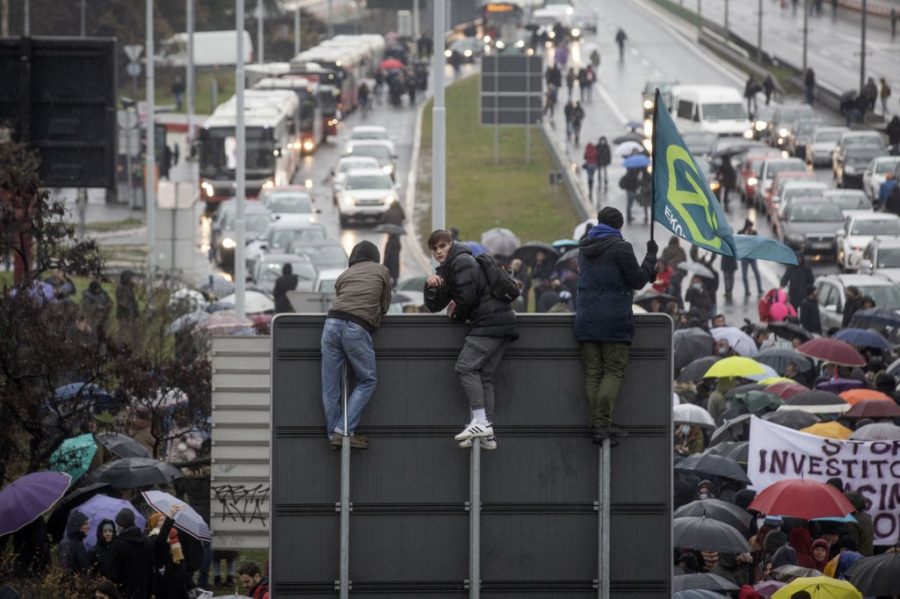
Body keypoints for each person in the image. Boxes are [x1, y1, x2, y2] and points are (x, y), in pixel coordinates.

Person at [424, 230, 517, 449]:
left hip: (488, 324)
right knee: (483, 376)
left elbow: (467, 298)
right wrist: (432, 286)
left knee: (465, 368)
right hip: (503, 323)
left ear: (451, 244)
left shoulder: (461, 262)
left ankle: (481, 422)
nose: (438, 252)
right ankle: (487, 431)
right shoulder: (454, 265)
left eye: (442, 246)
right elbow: (434, 306)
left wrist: (456, 313)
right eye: (435, 249)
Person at [574, 207, 656, 444]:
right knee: (613, 371)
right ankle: (602, 424)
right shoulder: (621, 247)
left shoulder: (584, 247)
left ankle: (595, 421)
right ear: (619, 226)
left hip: (586, 317)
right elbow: (637, 280)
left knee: (592, 372)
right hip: (613, 320)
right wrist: (650, 257)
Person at [321, 241, 391, 449]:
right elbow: (385, 305)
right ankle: (343, 430)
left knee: (330, 387)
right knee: (367, 380)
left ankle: (333, 433)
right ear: (375, 256)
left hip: (331, 324)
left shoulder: (345, 275)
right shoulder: (382, 271)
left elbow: (341, 296)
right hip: (356, 326)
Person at [109, 507, 154, 599]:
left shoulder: (117, 544)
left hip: (124, 591)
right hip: (144, 589)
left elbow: (114, 572)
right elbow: (151, 567)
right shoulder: (147, 541)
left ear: (120, 525)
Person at [148, 509, 189, 599]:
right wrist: (169, 518)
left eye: (164, 519)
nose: (164, 522)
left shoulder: (173, 536)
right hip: (163, 579)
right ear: (155, 524)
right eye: (161, 520)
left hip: (176, 578)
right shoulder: (153, 538)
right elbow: (160, 541)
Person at [57, 510, 91, 576]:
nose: (88, 527)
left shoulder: (78, 541)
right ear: (76, 526)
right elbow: (65, 572)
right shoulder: (66, 545)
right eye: (85, 524)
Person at [739, 220, 764, 297]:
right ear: (747, 226)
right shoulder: (741, 233)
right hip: (744, 257)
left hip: (752, 256)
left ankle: (759, 289)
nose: (751, 228)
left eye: (752, 227)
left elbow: (758, 242)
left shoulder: (754, 233)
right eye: (750, 226)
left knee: (756, 272)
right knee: (744, 275)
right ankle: (747, 291)